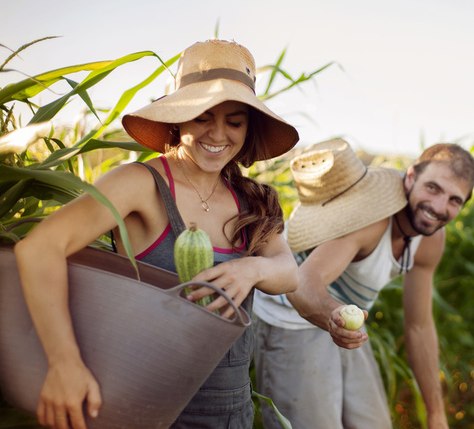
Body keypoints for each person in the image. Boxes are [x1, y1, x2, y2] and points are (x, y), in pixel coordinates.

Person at [14, 39, 300, 429]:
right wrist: (64, 363)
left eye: (234, 121)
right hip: (144, 406)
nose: (218, 134)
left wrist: (253, 270)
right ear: (177, 117)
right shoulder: (139, 184)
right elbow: (39, 248)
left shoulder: (252, 200)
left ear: (249, 128)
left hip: (230, 411)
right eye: (202, 116)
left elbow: (288, 270)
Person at [253, 138, 474, 429]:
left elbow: (419, 327)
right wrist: (335, 317)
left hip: (344, 320)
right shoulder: (373, 220)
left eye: (454, 200)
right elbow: (303, 283)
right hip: (292, 319)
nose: (438, 206)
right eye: (433, 188)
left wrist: (435, 413)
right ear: (411, 178)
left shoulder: (431, 241)